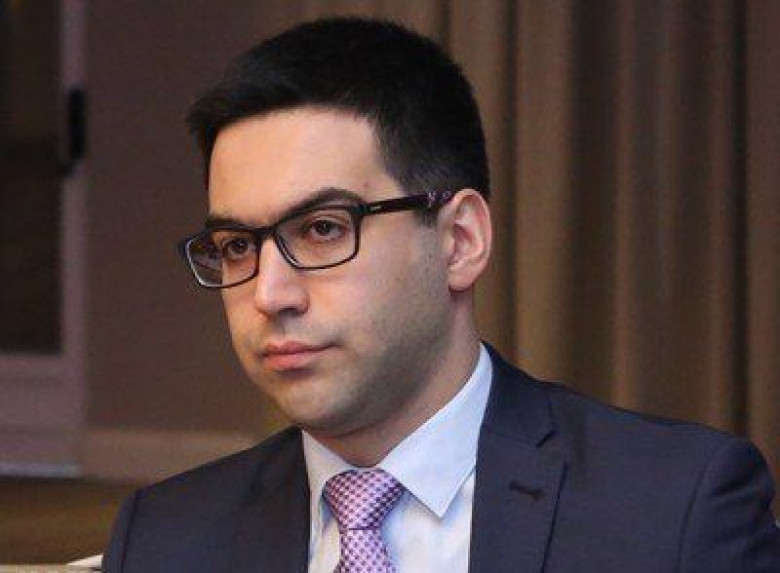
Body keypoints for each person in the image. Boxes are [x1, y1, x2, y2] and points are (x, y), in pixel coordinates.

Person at [103, 17, 779, 572]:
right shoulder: (166, 538)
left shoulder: (674, 513)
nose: (269, 293)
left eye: (322, 229)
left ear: (460, 241)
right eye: (237, 246)